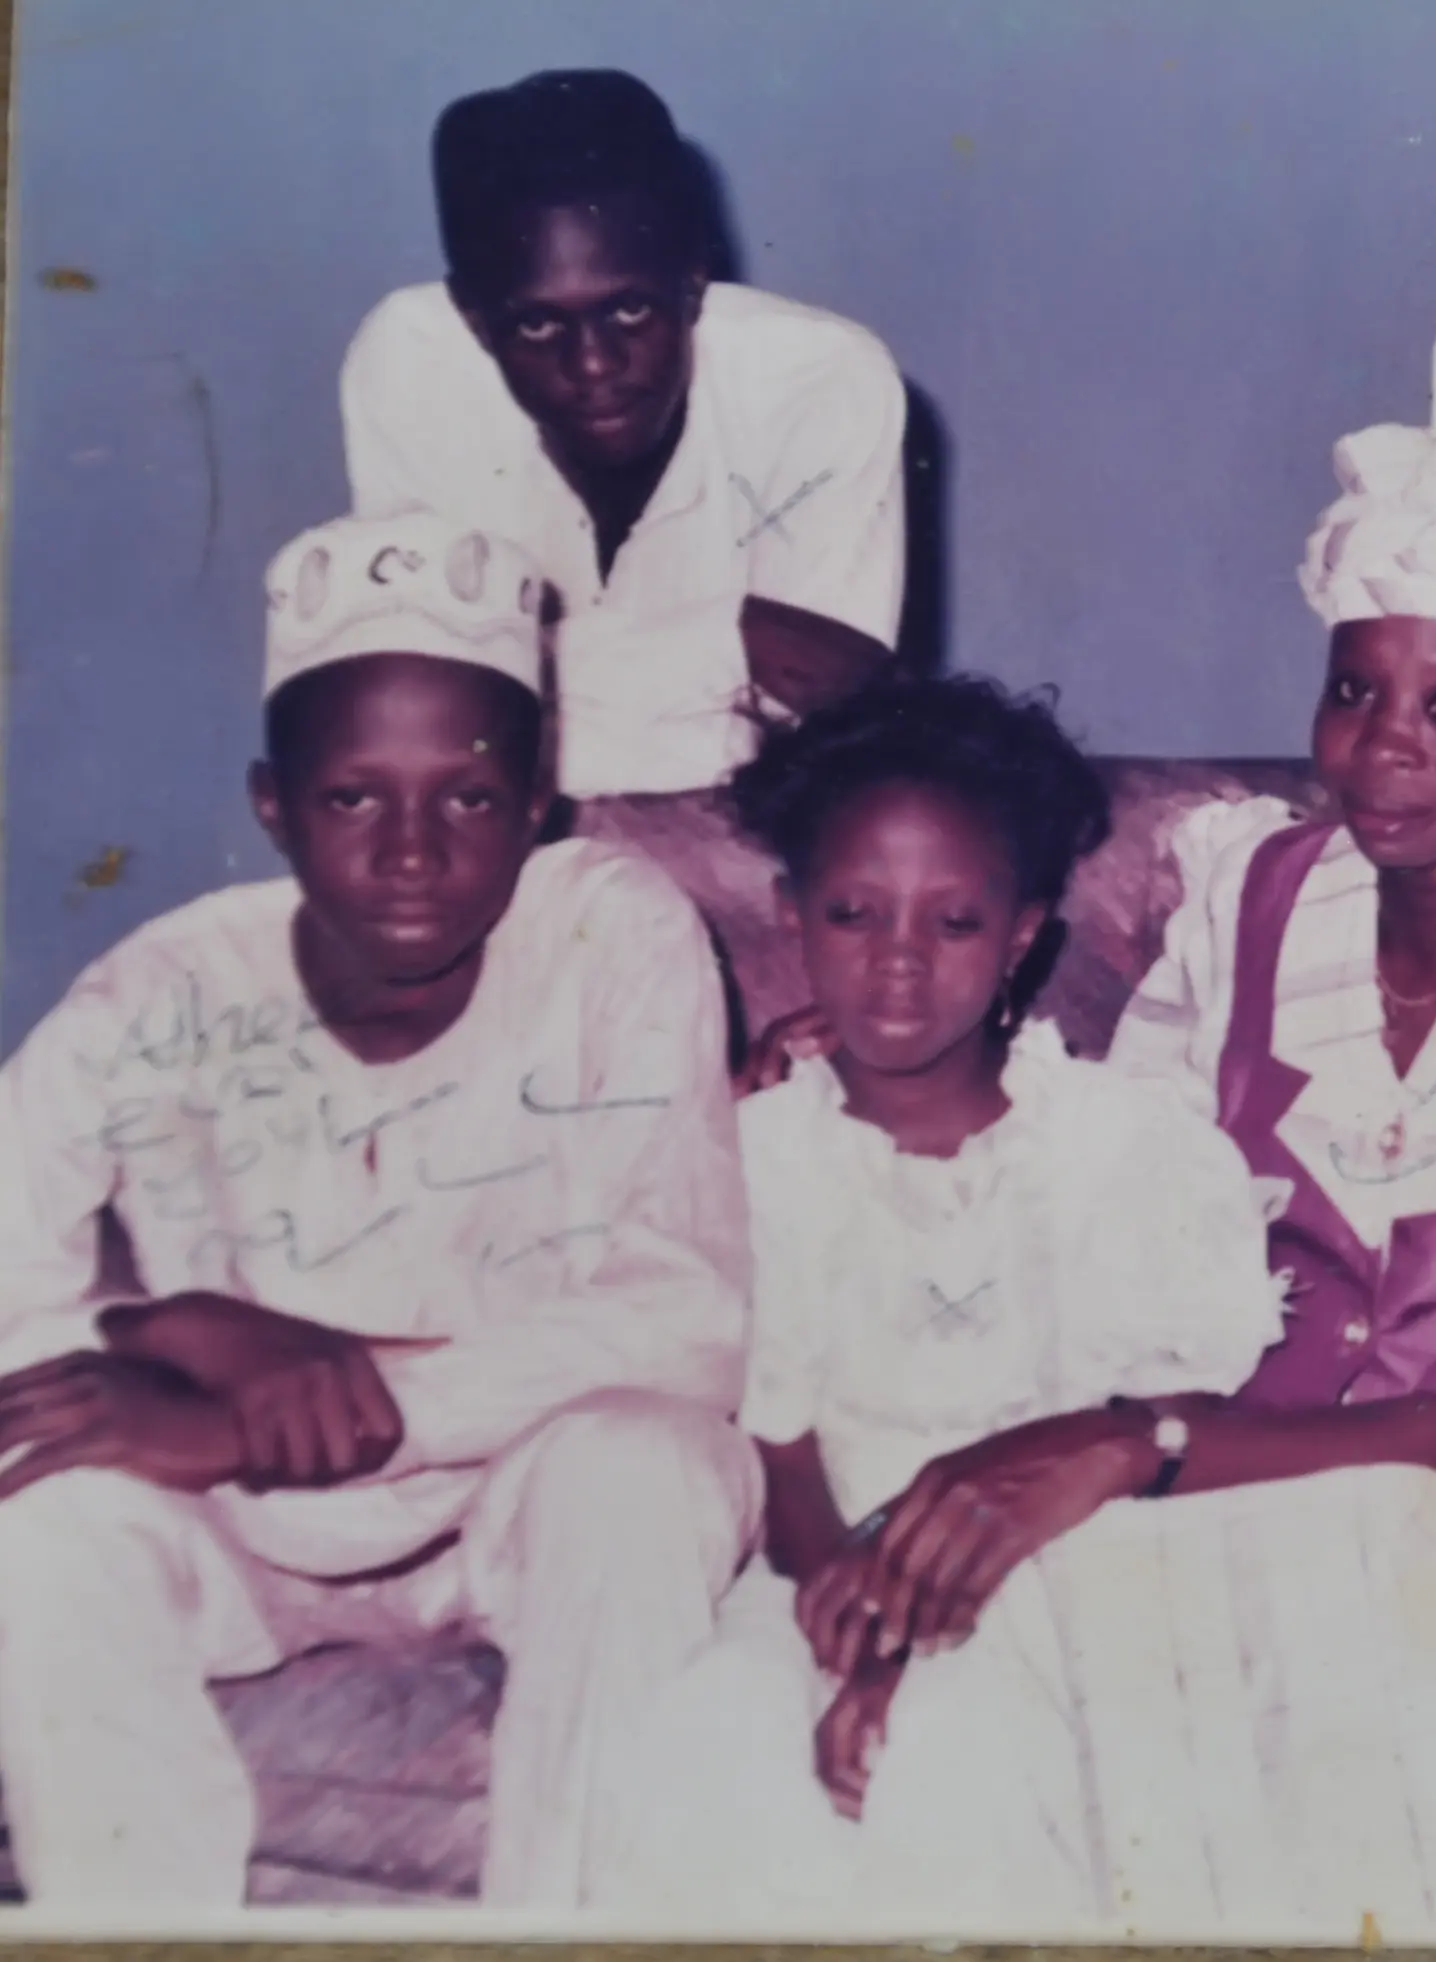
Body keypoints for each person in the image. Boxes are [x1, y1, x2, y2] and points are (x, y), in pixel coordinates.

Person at [742, 307, 1436, 1935]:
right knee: (998, 1630)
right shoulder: (1249, 896)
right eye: (1358, 689)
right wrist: (857, 1062)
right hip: (1213, 1498)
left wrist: (1133, 1451)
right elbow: (1119, 1200)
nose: (1381, 748)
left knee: (1151, 1601)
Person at [0, 513, 756, 1912]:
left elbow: (688, 1316)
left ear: (539, 801)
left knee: (643, 1464)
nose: (411, 849)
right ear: (272, 805)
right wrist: (168, 1326)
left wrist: (299, 1396)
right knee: (39, 1519)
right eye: (354, 797)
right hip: (246, 1531)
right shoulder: (153, 993)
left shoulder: (613, 930)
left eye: (466, 797)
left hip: (524, 1499)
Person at [590, 669, 1306, 1926]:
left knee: (959, 1757)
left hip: (1064, 1590)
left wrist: (923, 1647)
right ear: (792, 916)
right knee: (715, 1727)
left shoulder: (1125, 1149)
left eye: (954, 924)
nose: (901, 966)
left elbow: (1152, 1429)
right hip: (824, 1584)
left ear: (1024, 932)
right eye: (857, 915)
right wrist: (858, 1624)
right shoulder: (761, 1156)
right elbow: (785, 1446)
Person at [342, 68, 909, 1038]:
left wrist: (540, 676)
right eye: (536, 325)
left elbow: (847, 697)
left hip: (757, 870)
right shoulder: (409, 365)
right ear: (477, 319)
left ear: (694, 283)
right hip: (507, 877)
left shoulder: (825, 383)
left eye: (632, 312)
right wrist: (734, 635)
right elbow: (433, 729)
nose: (595, 366)